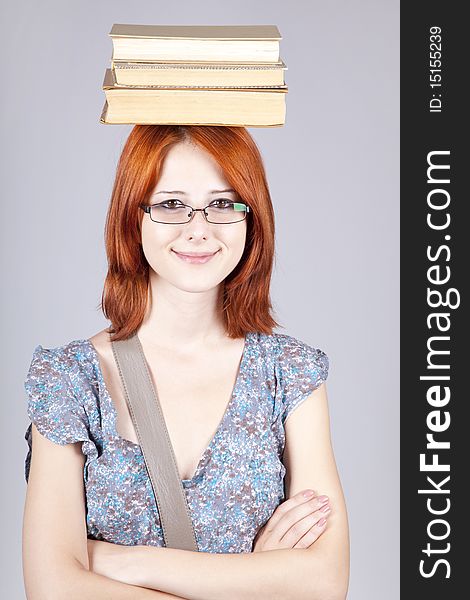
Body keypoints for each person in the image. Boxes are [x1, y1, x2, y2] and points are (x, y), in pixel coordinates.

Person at [22, 125, 350, 599]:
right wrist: (256, 581)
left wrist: (118, 562)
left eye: (223, 203)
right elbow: (53, 590)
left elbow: (324, 583)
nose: (199, 228)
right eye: (171, 204)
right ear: (132, 217)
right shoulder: (70, 381)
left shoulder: (289, 373)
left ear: (251, 218)